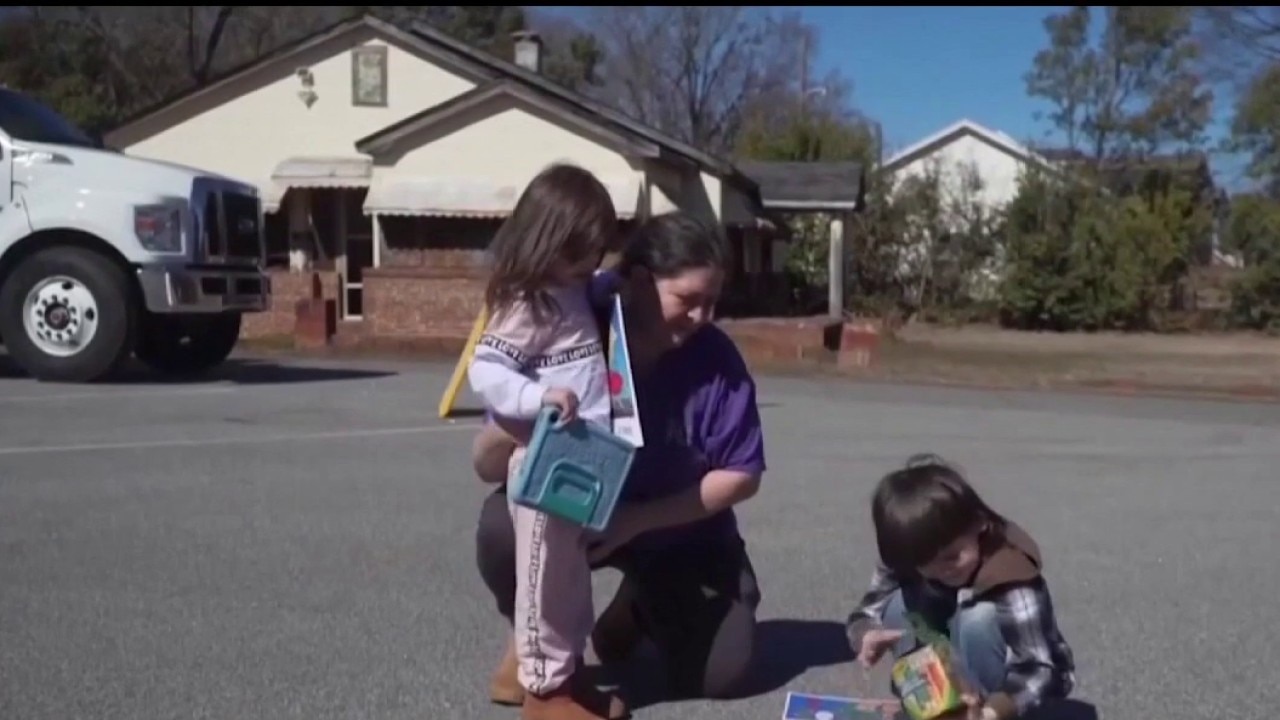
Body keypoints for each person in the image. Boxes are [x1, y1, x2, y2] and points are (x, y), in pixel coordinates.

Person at [473, 211, 767, 712]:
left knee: (723, 670)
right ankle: (531, 639)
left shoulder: (716, 358)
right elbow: (486, 464)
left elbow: (742, 475)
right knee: (504, 524)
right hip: (576, 510)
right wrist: (532, 415)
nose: (704, 316)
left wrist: (636, 521)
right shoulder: (570, 326)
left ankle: (635, 609)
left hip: (678, 530)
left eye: (712, 301)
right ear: (639, 282)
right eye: (689, 300)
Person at [466, 162, 626, 720]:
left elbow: (595, 287)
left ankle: (567, 674)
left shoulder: (573, 288)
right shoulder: (528, 301)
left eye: (596, 251)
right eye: (581, 251)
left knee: (567, 576)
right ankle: (542, 688)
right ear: (548, 240)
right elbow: (486, 370)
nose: (590, 262)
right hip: (542, 461)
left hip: (576, 460)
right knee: (541, 573)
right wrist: (537, 398)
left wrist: (612, 283)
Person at [846, 455, 1076, 720]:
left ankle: (982, 711)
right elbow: (867, 611)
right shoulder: (908, 553)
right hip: (952, 660)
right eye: (925, 564)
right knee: (897, 606)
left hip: (1017, 691)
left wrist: (990, 713)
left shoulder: (1010, 572)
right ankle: (935, 705)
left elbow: (1038, 669)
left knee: (978, 619)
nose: (942, 570)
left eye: (952, 556)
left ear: (979, 523)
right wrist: (866, 634)